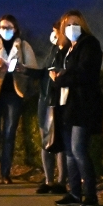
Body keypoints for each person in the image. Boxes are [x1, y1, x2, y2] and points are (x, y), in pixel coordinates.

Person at [51, 10, 103, 206]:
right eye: (68, 24)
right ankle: (74, 193)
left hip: (83, 104)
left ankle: (90, 194)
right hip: (68, 105)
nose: (72, 27)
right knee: (70, 153)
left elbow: (85, 73)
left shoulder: (89, 44)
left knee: (79, 150)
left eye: (76, 23)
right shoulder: (68, 49)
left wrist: (60, 79)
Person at [0, 15, 39, 184]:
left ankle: (6, 172)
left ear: (15, 28)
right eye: (3, 27)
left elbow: (33, 68)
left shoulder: (24, 46)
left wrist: (21, 68)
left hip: (14, 94)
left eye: (9, 27)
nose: (5, 30)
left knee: (9, 134)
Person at [36, 19, 68, 195]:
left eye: (56, 32)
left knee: (59, 142)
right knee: (46, 142)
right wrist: (25, 70)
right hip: (45, 99)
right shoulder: (53, 50)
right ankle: (48, 180)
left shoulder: (67, 52)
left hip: (57, 100)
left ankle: (61, 181)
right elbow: (43, 73)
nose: (54, 35)